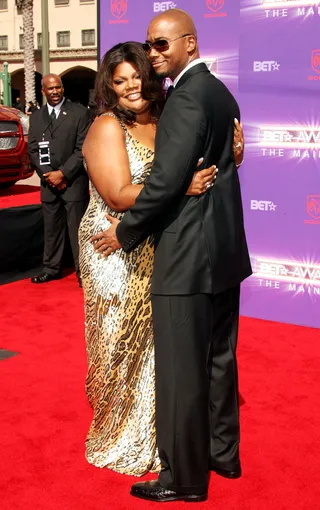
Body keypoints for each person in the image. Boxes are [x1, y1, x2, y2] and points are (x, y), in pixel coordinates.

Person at [95, 9, 252, 503]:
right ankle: (222, 455)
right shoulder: (219, 91)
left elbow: (163, 183)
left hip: (187, 255)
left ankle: (182, 478)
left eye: (162, 45)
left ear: (190, 43)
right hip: (224, 253)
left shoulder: (185, 98)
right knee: (219, 361)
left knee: (183, 372)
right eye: (149, 45)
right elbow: (221, 161)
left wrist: (126, 231)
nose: (154, 54)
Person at [78, 41, 219, 475]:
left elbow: (192, 166)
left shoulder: (165, 119)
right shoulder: (106, 126)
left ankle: (154, 435)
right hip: (113, 247)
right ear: (109, 86)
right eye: (119, 81)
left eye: (137, 77)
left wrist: (231, 153)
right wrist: (183, 188)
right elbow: (118, 195)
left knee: (154, 347)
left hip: (153, 244)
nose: (130, 88)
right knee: (119, 343)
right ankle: (116, 435)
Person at [28, 74, 91, 286]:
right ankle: (51, 268)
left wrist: (63, 174)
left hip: (73, 183)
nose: (55, 92)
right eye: (50, 89)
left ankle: (84, 272)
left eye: (58, 88)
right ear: (43, 91)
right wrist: (50, 176)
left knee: (77, 231)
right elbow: (33, 150)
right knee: (51, 230)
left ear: (63, 88)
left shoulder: (80, 113)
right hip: (49, 184)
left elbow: (82, 149)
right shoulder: (36, 117)